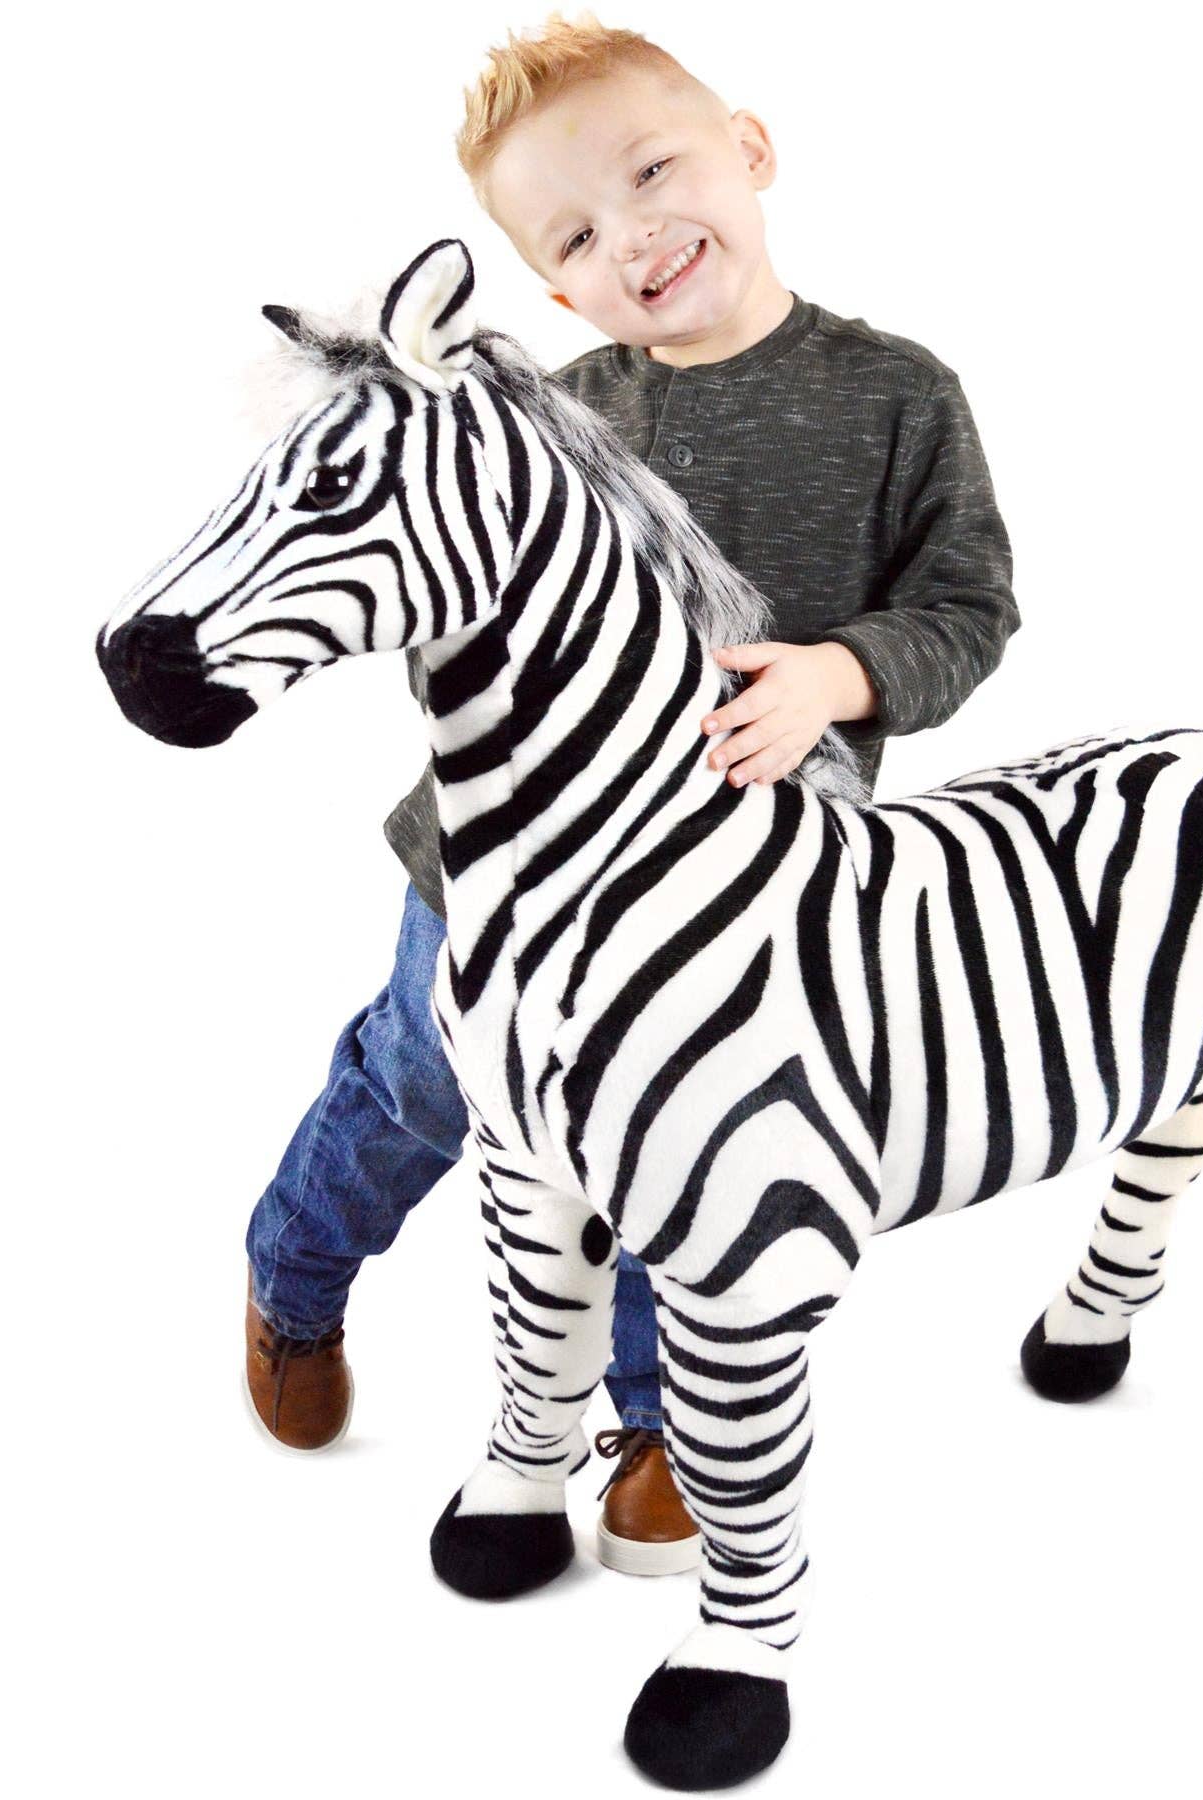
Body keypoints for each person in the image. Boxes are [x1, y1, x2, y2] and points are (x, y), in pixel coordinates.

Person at [243, 10, 1020, 1577]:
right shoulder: (559, 412)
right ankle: (293, 1281)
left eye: (653, 173)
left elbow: (969, 607)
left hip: (756, 887)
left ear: (751, 148)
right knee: (423, 1086)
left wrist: (839, 675)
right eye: (579, 236)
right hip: (500, 877)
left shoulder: (898, 395)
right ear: (555, 291)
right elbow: (447, 595)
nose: (635, 237)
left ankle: (663, 1417)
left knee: (697, 1136)